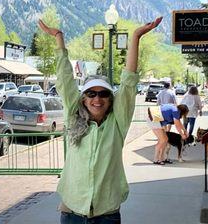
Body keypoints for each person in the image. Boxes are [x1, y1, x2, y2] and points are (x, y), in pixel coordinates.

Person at [38, 16, 162, 224]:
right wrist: (59, 38)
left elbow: (128, 82)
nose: (97, 98)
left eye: (103, 94)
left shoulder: (117, 123)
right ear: (83, 98)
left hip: (107, 214)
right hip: (72, 213)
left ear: (110, 99)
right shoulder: (73, 116)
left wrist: (136, 37)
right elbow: (65, 78)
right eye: (91, 94)